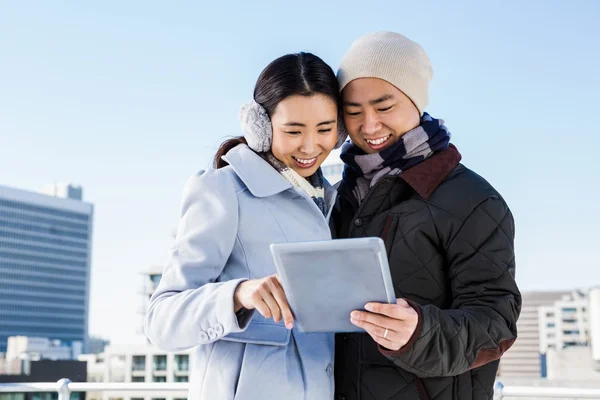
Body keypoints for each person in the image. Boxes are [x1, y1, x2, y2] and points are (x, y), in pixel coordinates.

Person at [331, 31, 522, 400]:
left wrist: (419, 333)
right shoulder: (341, 196)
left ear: (416, 102)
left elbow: (497, 322)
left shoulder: (471, 199)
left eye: (384, 107)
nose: (369, 126)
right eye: (353, 112)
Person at [145, 52, 347, 400]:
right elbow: (161, 321)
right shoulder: (223, 190)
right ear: (261, 126)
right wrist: (238, 294)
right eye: (293, 131)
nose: (311, 146)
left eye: (325, 130)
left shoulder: (332, 200)